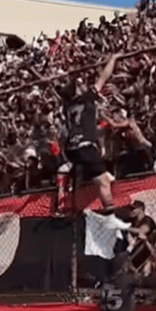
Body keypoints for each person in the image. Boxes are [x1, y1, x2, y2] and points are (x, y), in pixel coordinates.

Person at [58, 53, 119, 212]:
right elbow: (104, 76)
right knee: (104, 181)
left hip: (72, 149)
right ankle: (110, 212)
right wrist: (113, 59)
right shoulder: (87, 98)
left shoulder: (67, 104)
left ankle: (74, 210)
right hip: (84, 146)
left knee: (87, 179)